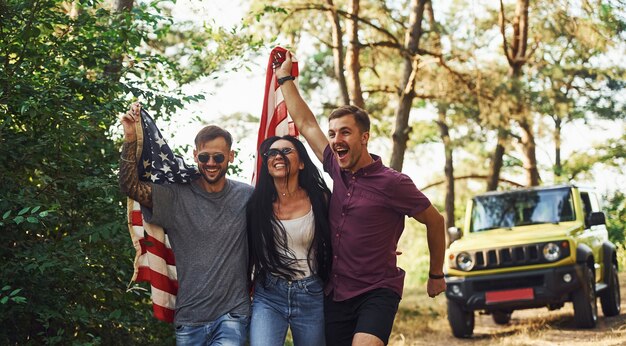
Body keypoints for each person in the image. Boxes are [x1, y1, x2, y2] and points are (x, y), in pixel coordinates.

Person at [275, 52, 447, 346]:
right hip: (336, 291)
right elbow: (305, 123)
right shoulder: (334, 167)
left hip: (377, 290)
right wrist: (284, 78)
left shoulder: (394, 183)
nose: (336, 140)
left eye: (345, 132)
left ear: (364, 137)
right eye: (332, 134)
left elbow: (435, 220)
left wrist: (436, 273)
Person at [118, 103, 253, 346]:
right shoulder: (175, 196)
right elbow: (131, 187)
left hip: (233, 314)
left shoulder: (247, 196)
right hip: (190, 317)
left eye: (218, 157)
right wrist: (130, 137)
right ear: (194, 156)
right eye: (204, 156)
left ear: (231, 157)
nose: (211, 162)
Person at [247, 135, 333, 346]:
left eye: (286, 151)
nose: (278, 156)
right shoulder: (256, 204)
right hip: (269, 293)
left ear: (302, 163)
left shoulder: (320, 199)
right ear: (267, 165)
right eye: (272, 153)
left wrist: (376, 250)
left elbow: (345, 232)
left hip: (311, 292)